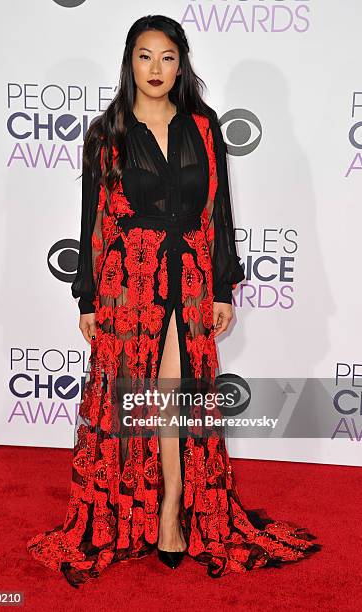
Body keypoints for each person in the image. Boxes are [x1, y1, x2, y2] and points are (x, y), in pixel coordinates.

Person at [26, 14, 321, 587]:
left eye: (167, 57)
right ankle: (142, 513)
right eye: (145, 56)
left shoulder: (204, 128)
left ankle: (174, 506)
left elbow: (220, 212)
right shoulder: (107, 131)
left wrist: (223, 286)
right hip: (126, 281)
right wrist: (87, 296)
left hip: (189, 278)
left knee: (176, 394)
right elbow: (92, 220)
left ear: (181, 63)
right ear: (129, 61)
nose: (156, 68)